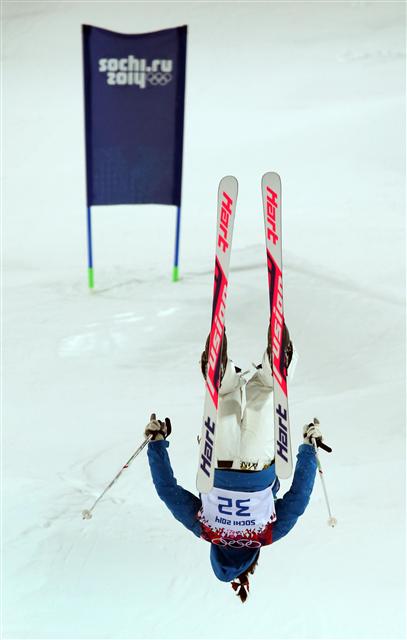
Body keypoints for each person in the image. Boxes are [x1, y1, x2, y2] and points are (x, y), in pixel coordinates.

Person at [145, 327, 330, 603]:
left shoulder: (267, 536)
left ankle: (275, 362)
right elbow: (166, 491)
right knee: (224, 393)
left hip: (258, 463)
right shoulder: (206, 531)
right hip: (217, 458)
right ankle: (220, 373)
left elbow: (299, 499)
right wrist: (156, 442)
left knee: (267, 389)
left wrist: (308, 449)